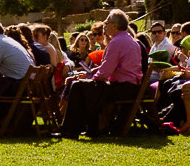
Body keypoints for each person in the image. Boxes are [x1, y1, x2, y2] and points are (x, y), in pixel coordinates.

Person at [56, 9, 143, 139]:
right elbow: (109, 67)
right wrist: (90, 75)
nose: (104, 25)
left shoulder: (117, 42)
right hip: (129, 86)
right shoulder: (129, 40)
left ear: (115, 25)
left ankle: (71, 130)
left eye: (106, 22)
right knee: (84, 86)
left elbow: (105, 72)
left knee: (78, 86)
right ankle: (90, 129)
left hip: (123, 87)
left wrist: (90, 78)